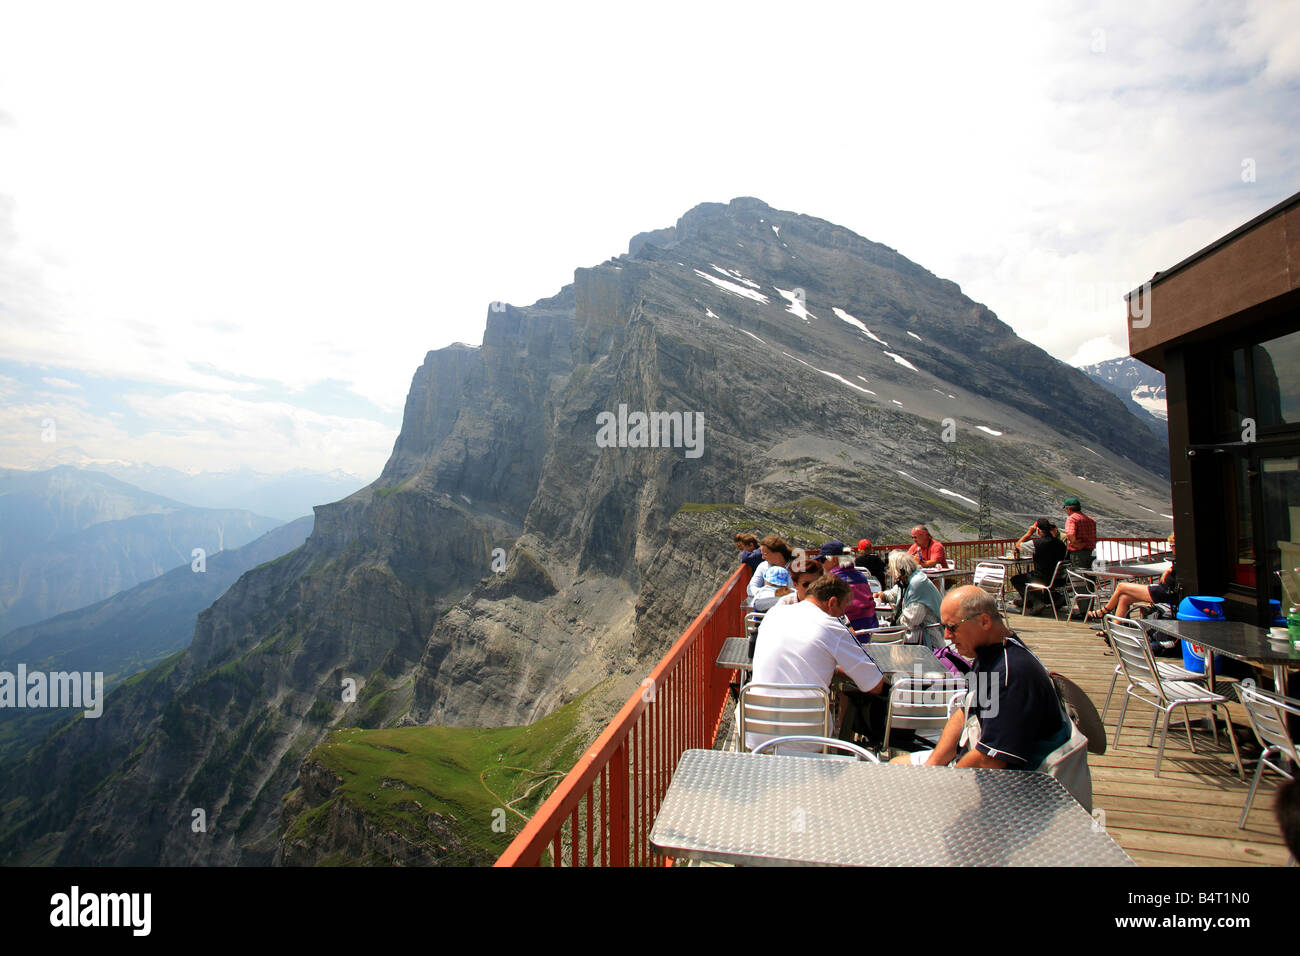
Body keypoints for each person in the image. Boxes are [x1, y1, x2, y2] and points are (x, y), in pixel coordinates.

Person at [888, 587, 1092, 810]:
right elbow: (964, 711)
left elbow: (990, 761)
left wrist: (942, 786)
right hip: (984, 771)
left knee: (899, 786)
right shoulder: (990, 653)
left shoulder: (1011, 674)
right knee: (895, 768)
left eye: (952, 627)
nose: (946, 636)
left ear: (984, 621)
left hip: (1019, 795)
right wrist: (934, 764)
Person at [748, 574, 884, 751]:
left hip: (756, 730)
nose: (842, 615)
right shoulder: (831, 626)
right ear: (832, 602)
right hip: (808, 737)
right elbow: (874, 685)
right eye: (842, 609)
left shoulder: (774, 612)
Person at [1087, 533, 1177, 621]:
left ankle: (1103, 611)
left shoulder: (1181, 559)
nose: (1170, 548)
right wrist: (1170, 570)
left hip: (1165, 593)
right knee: (1124, 598)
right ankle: (1114, 629)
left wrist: (1170, 570)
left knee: (1121, 586)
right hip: (1164, 591)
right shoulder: (1179, 559)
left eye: (1172, 545)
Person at [879, 550, 943, 647]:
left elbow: (913, 619)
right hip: (915, 633)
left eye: (891, 568)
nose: (890, 572)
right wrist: (882, 596)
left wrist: (894, 620)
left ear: (899, 569)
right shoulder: (908, 579)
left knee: (883, 641)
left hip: (926, 638)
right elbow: (894, 593)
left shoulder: (916, 583)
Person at [815, 541, 878, 631]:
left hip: (848, 635)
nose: (821, 564)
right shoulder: (861, 576)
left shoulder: (830, 582)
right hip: (870, 632)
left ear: (835, 560)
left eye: (822, 560)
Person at [1009, 519, 1067, 613]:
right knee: (1030, 577)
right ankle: (1054, 598)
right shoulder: (1060, 543)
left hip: (1041, 577)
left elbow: (1018, 545)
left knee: (1016, 579)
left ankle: (1035, 602)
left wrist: (1029, 533)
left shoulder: (1037, 543)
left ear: (1038, 530)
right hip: (1058, 578)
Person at [1063, 496, 1097, 571]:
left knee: (1080, 576)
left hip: (1079, 553)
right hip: (1092, 552)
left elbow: (1070, 534)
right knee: (1091, 576)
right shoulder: (1091, 520)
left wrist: (1074, 543)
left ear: (1068, 508)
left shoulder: (1072, 518)